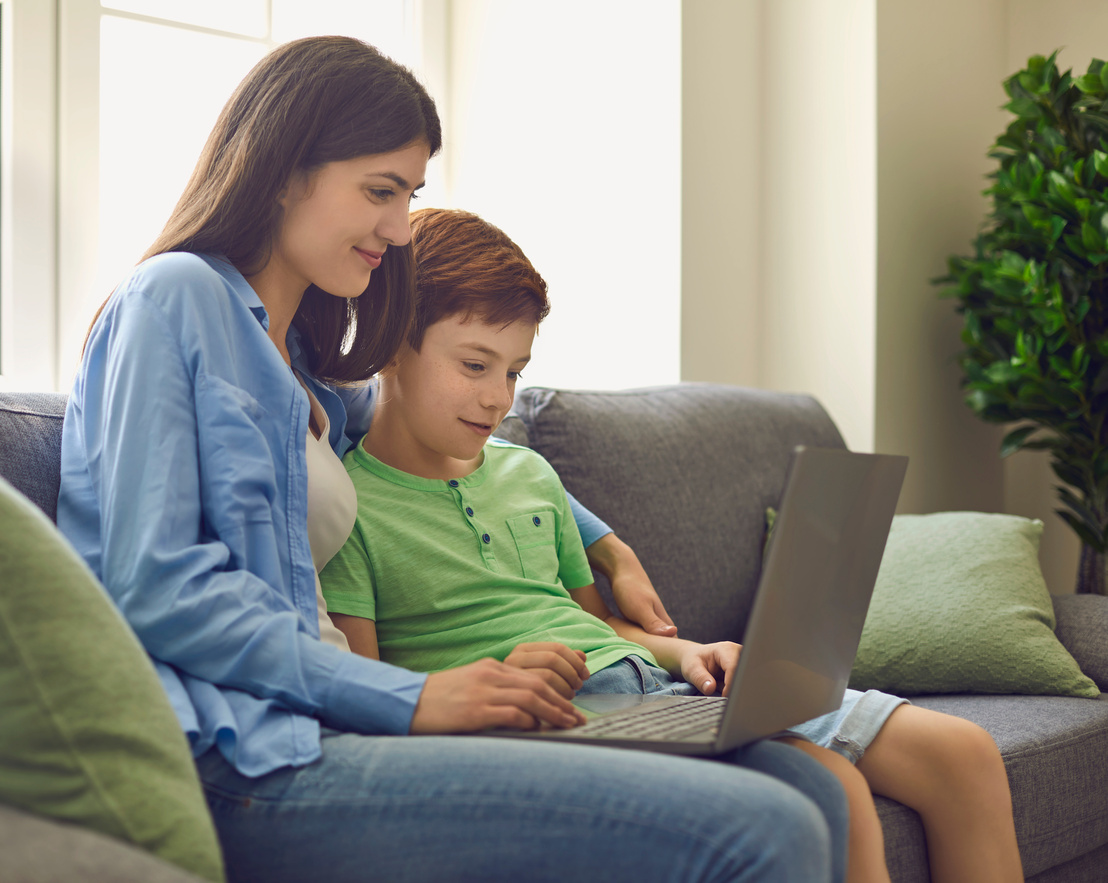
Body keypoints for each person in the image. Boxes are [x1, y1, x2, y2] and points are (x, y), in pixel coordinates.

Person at [59, 35, 849, 882]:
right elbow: (156, 586)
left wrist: (604, 543)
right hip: (247, 752)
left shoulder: (312, 378)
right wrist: (417, 695)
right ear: (285, 170)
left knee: (808, 784)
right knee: (766, 828)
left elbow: (453, 448)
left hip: (334, 725)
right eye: (380, 192)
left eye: (410, 196)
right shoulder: (174, 297)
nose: (399, 230)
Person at [318, 206, 1025, 883]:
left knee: (956, 750)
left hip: (656, 689)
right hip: (553, 723)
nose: (498, 398)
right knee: (832, 789)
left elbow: (597, 624)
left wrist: (690, 651)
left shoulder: (530, 473)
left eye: (514, 371)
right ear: (388, 346)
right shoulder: (351, 505)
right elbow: (378, 698)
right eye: (475, 365)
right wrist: (495, 677)